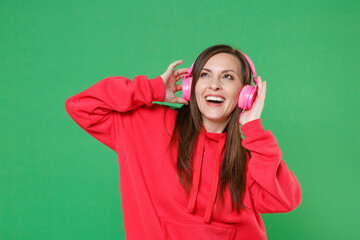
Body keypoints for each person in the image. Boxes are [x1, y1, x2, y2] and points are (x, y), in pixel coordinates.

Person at [65, 44, 301, 240]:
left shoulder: (245, 158)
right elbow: (83, 106)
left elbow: (286, 200)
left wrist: (253, 127)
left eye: (227, 77)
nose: (214, 85)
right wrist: (152, 89)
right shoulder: (148, 125)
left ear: (245, 93)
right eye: (205, 75)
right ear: (191, 86)